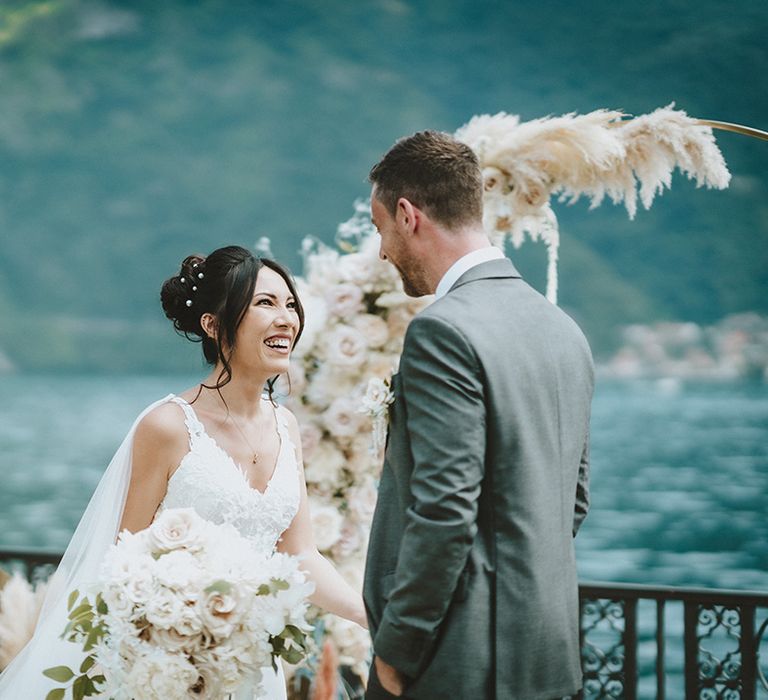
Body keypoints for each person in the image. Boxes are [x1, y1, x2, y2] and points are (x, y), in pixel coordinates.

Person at [0, 245, 367, 700]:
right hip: (168, 668)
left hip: (249, 669)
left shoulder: (285, 425)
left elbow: (302, 554)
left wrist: (370, 613)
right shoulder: (168, 426)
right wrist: (172, 646)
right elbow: (121, 564)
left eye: (290, 304)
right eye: (265, 303)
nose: (286, 318)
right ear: (213, 325)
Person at [363, 132, 593, 700]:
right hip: (547, 658)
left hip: (459, 665)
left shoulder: (442, 331)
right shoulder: (564, 331)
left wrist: (398, 649)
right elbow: (574, 499)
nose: (384, 251)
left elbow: (444, 507)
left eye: (380, 231)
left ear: (407, 215)